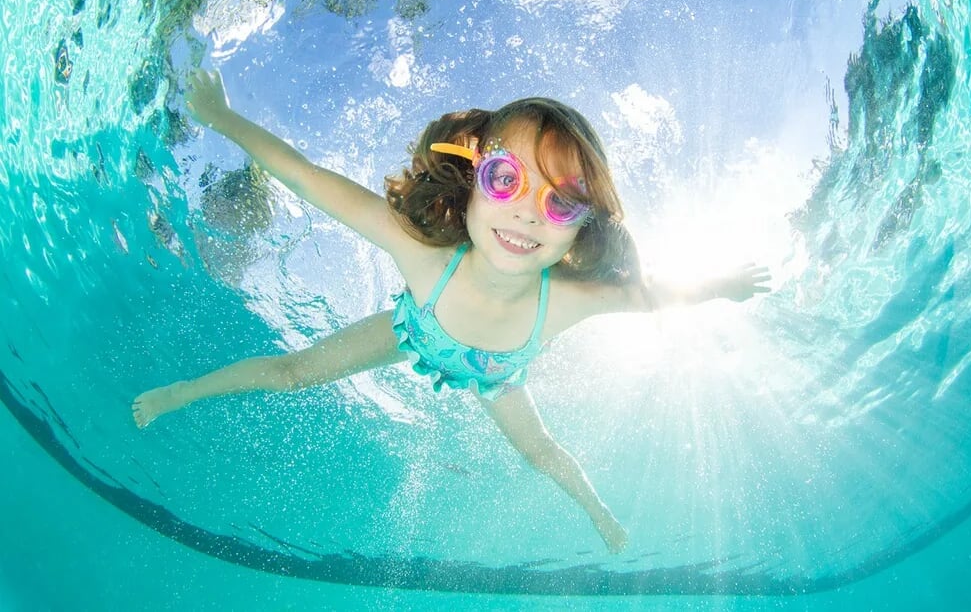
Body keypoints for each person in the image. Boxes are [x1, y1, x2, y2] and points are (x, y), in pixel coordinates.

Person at [133, 69, 771, 554]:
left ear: (582, 227)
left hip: (497, 374)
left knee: (541, 451)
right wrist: (220, 116)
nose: (526, 214)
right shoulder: (424, 257)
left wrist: (723, 285)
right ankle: (178, 393)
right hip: (417, 328)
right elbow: (303, 175)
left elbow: (653, 293)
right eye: (505, 180)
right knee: (292, 371)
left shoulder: (570, 299)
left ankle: (599, 513)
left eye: (561, 203)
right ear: (471, 183)